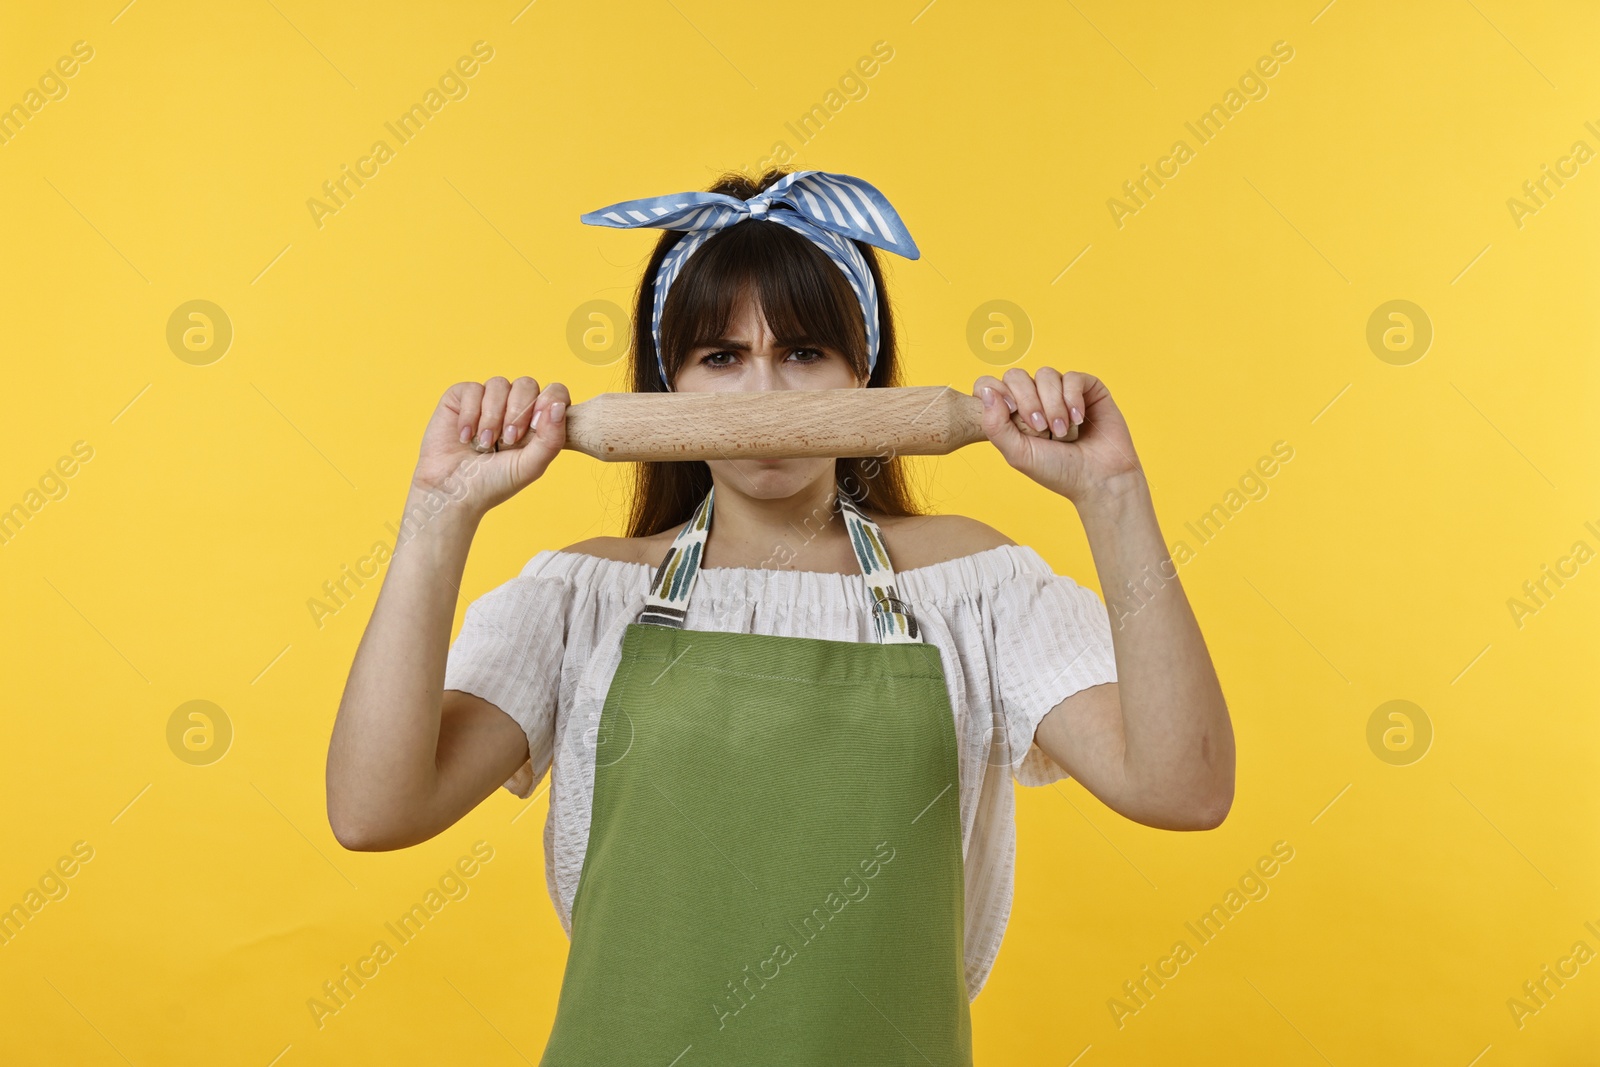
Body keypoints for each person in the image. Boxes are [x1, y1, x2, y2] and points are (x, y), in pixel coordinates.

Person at [325, 168, 1233, 1064]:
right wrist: (439, 515)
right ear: (665, 386)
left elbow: (1182, 787)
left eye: (802, 353)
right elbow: (373, 808)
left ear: (862, 374)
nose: (763, 396)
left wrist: (1113, 497)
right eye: (720, 357)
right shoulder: (584, 595)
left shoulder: (971, 583)